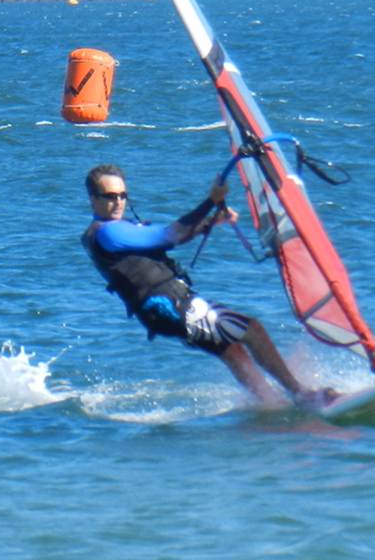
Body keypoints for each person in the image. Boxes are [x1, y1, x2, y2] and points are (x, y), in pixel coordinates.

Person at [81, 163, 334, 409]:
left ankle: (271, 404)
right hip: (176, 308)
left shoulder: (111, 231)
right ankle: (301, 394)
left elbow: (167, 238)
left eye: (123, 195)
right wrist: (211, 201)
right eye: (110, 196)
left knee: (231, 349)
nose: (118, 202)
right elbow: (169, 235)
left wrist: (208, 224)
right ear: (93, 199)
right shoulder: (108, 233)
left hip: (160, 314)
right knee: (251, 329)